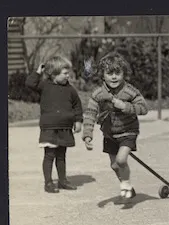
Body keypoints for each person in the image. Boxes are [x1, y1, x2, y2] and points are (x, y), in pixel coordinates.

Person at [82, 52, 148, 204]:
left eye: (117, 73)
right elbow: (91, 113)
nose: (113, 77)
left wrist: (126, 106)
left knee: (121, 159)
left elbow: (143, 108)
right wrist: (87, 135)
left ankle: (125, 183)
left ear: (124, 74)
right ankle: (128, 186)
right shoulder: (98, 94)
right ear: (102, 75)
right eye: (109, 73)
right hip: (110, 133)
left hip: (128, 131)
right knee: (114, 165)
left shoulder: (129, 91)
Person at [25, 56, 83, 193]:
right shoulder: (44, 85)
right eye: (65, 73)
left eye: (68, 73)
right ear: (54, 74)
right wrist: (38, 72)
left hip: (65, 127)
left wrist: (78, 120)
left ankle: (63, 181)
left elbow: (77, 106)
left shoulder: (70, 89)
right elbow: (30, 83)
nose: (68, 76)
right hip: (49, 127)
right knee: (49, 154)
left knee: (61, 155)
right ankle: (49, 183)